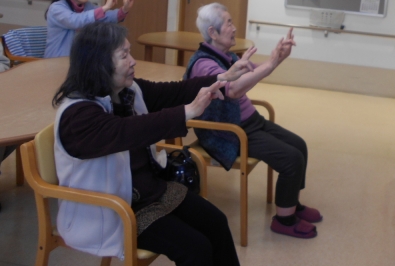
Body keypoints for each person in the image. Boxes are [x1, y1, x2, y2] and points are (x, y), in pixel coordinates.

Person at [53, 22, 255, 265]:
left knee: (216, 222)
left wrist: (222, 77)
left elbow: (172, 92)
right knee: (195, 248)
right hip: (112, 209)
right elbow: (128, 131)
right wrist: (188, 112)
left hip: (146, 191)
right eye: (124, 55)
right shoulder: (77, 117)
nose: (133, 61)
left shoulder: (125, 90)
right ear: (99, 64)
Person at [186, 3, 322, 239]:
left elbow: (253, 72)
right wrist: (270, 64)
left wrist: (277, 58)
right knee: (291, 159)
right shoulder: (203, 64)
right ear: (213, 32)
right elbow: (233, 89)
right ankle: (284, 220)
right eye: (228, 23)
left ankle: (291, 203)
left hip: (250, 122)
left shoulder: (227, 56)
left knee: (299, 145)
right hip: (228, 132)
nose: (234, 28)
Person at [45, 0, 137, 58]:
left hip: (78, 60)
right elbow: (76, 21)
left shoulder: (87, 5)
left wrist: (124, 9)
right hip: (57, 60)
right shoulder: (56, 8)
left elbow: (105, 17)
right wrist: (105, 7)